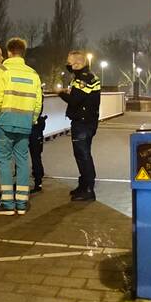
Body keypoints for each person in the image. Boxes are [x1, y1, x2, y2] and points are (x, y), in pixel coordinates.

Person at [0, 37, 43, 216]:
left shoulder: (2, 71)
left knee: (3, 161)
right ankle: (22, 202)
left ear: (9, 52)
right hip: (25, 123)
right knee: (22, 160)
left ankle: (8, 204)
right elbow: (38, 102)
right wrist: (32, 119)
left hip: (5, 121)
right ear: (23, 52)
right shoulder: (33, 73)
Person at [58, 50, 101, 202]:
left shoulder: (84, 79)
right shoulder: (86, 77)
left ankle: (88, 189)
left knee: (83, 155)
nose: (68, 65)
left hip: (83, 123)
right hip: (86, 121)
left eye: (69, 63)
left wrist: (61, 93)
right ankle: (83, 185)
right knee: (82, 155)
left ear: (77, 64)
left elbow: (75, 100)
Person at [30, 113, 47, 193]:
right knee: (36, 156)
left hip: (33, 128)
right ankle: (38, 178)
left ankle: (38, 181)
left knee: (35, 157)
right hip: (34, 127)